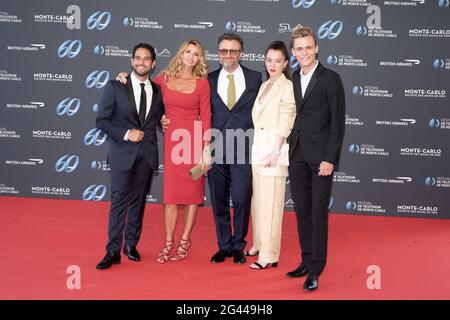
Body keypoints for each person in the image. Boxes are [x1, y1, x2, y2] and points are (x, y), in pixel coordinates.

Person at [117, 39, 211, 263]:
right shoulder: (165, 79)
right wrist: (124, 76)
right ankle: (168, 241)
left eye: (195, 54)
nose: (190, 57)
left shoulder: (202, 84)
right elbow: (144, 87)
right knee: (170, 197)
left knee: (192, 197)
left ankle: (185, 240)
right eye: (187, 52)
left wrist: (206, 149)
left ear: (200, 58)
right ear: (181, 53)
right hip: (172, 143)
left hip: (193, 143)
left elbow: (206, 117)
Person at [286, 27, 345, 291]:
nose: (304, 52)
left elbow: (337, 123)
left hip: (321, 158)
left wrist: (330, 158)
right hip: (297, 155)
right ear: (294, 52)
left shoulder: (331, 79)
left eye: (309, 47)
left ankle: (315, 270)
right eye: (299, 48)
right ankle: (306, 260)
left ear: (317, 48)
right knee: (302, 211)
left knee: (318, 213)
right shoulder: (292, 78)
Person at [95, 43, 164, 269]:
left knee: (138, 203)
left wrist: (164, 122)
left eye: (146, 59)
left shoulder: (158, 91)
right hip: (122, 154)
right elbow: (102, 121)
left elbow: (160, 119)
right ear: (131, 60)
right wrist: (126, 134)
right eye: (137, 58)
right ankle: (112, 250)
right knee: (118, 203)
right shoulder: (116, 86)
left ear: (153, 64)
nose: (141, 62)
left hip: (146, 156)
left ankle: (131, 245)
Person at [208, 33, 262, 265]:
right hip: (216, 147)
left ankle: (239, 244)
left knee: (241, 198)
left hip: (244, 148)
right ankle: (224, 245)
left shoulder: (255, 78)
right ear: (218, 53)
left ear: (241, 53)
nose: (228, 55)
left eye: (233, 51)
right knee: (219, 200)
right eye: (223, 51)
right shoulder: (207, 79)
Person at [246, 41, 296, 270]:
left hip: (274, 153)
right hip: (258, 151)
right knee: (258, 203)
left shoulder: (287, 87)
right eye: (269, 60)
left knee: (272, 207)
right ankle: (258, 243)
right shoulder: (264, 84)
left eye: (278, 61)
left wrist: (276, 151)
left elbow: (287, 118)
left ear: (286, 63)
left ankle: (269, 255)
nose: (272, 64)